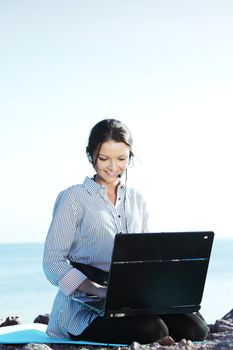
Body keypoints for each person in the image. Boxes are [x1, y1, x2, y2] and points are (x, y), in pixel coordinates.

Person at [43, 118, 209, 344]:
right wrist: (97, 289)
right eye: (104, 158)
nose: (113, 167)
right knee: (153, 330)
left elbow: (144, 259)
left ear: (130, 156)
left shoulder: (136, 200)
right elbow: (52, 262)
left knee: (196, 330)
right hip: (83, 306)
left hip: (132, 300)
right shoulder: (73, 198)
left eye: (121, 158)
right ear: (91, 155)